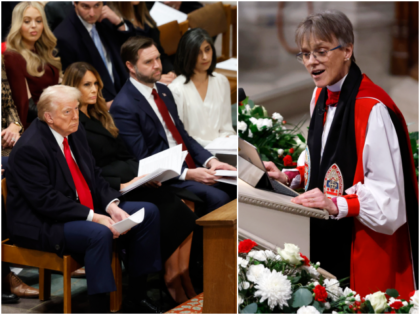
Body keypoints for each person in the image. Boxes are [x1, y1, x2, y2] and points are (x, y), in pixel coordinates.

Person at [263, 10, 418, 299]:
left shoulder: (372, 110)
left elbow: (389, 199)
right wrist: (291, 176)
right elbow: (322, 160)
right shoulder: (319, 95)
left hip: (364, 242)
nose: (311, 62)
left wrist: (336, 204)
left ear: (347, 50)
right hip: (326, 236)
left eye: (321, 51)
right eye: (305, 54)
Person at [6, 85, 162, 313]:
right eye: (68, 111)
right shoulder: (30, 148)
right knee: (98, 233)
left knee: (148, 213)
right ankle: (99, 308)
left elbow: (94, 175)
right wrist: (94, 217)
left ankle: (137, 297)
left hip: (79, 207)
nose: (76, 116)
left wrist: (112, 205)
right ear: (49, 117)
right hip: (43, 223)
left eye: (77, 109)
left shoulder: (74, 131)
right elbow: (47, 201)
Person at [62, 61, 200, 304]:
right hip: (107, 191)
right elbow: (87, 171)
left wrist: (144, 175)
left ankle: (179, 276)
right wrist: (125, 182)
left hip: (130, 180)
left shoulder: (99, 115)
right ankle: (159, 283)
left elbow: (125, 154)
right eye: (87, 85)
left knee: (180, 205)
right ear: (73, 88)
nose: (94, 89)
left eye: (96, 84)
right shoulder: (74, 124)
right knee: (163, 209)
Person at [110, 36, 236, 215]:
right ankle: (204, 243)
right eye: (148, 62)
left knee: (235, 185)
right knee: (218, 197)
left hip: (189, 165)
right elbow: (143, 160)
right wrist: (188, 174)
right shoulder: (124, 107)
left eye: (158, 58)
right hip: (166, 178)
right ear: (131, 66)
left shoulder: (163, 90)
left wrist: (211, 161)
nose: (157, 66)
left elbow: (183, 135)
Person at [54, 1, 136, 108]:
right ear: (75, 3)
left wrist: (118, 22)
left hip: (126, 92)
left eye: (97, 5)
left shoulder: (105, 19)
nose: (92, 13)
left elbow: (131, 49)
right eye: (85, 7)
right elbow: (74, 86)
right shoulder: (64, 37)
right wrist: (102, 106)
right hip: (100, 106)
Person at [169, 28, 235, 147]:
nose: (205, 57)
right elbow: (180, 136)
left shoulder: (221, 81)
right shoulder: (176, 89)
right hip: (195, 154)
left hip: (223, 151)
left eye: (207, 49)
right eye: (198, 52)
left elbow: (226, 128)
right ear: (187, 55)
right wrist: (214, 147)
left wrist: (228, 142)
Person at [3, 1, 61, 129]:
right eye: (27, 21)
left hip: (55, 118)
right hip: (36, 126)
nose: (34, 26)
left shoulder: (44, 52)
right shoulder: (12, 57)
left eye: (39, 21)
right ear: (18, 24)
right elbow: (25, 108)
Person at [108, 2, 176, 84]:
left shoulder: (143, 13)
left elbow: (160, 53)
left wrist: (171, 72)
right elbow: (126, 65)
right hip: (142, 81)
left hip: (158, 73)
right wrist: (155, 80)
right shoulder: (112, 20)